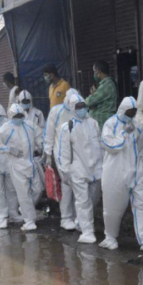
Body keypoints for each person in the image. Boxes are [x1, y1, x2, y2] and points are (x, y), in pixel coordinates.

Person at [100, 96, 143, 251]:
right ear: (122, 110)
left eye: (134, 112)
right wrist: (124, 133)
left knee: (141, 206)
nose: (131, 115)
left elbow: (141, 147)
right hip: (115, 172)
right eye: (129, 112)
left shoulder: (137, 125)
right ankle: (110, 237)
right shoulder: (110, 124)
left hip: (136, 171)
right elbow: (111, 146)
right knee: (112, 207)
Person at [57, 97, 103, 244]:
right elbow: (64, 151)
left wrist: (103, 163)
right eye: (78, 107)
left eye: (83, 106)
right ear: (72, 109)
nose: (81, 109)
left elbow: (100, 144)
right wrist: (65, 171)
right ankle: (87, 232)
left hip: (96, 169)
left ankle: (80, 222)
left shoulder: (93, 123)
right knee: (83, 201)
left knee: (93, 199)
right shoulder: (67, 127)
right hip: (78, 169)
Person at [0, 104, 41, 231]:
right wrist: (9, 149)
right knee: (23, 193)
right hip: (16, 165)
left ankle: (25, 210)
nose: (18, 118)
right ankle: (29, 221)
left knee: (38, 189)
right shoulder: (6, 128)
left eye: (20, 115)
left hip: (31, 163)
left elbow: (40, 136)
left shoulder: (30, 125)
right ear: (10, 116)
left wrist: (42, 148)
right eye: (15, 116)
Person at [45, 88, 82, 230]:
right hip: (61, 154)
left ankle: (78, 218)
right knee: (67, 185)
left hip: (78, 154)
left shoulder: (79, 111)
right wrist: (48, 154)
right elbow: (49, 133)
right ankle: (66, 218)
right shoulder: (56, 111)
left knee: (78, 186)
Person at [86, 60, 118, 127]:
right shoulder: (103, 85)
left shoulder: (107, 85)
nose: (94, 74)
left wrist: (92, 96)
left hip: (102, 124)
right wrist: (94, 94)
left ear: (98, 72)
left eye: (94, 71)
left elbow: (89, 101)